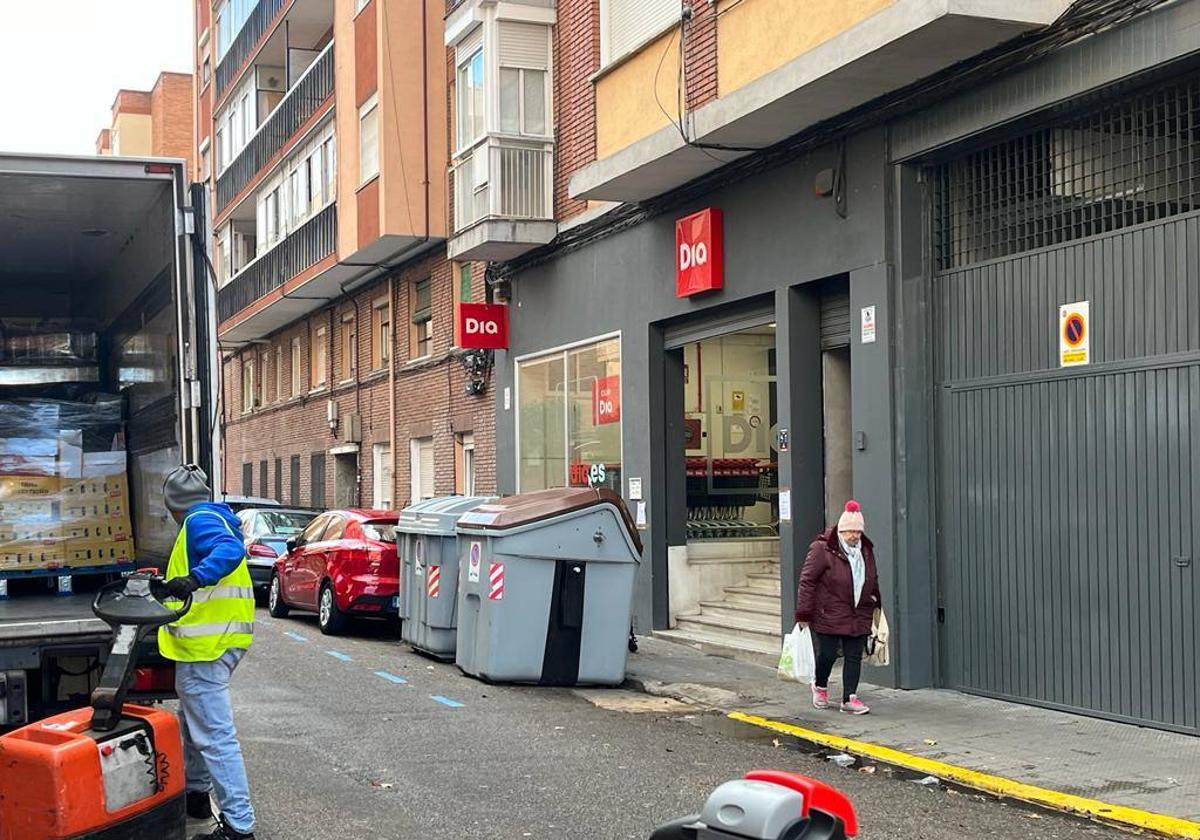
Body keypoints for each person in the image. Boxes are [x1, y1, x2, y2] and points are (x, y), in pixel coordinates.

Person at [159, 464, 258, 840]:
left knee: (215, 736)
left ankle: (238, 825)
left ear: (175, 506)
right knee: (193, 721)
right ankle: (197, 795)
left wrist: (193, 579)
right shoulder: (215, 515)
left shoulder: (199, 521)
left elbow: (228, 550)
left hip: (207, 647)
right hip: (222, 640)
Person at [795, 500, 881, 715]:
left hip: (858, 611)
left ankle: (849, 698)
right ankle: (820, 686)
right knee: (828, 654)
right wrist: (803, 612)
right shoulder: (822, 548)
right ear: (841, 530)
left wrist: (876, 601)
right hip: (828, 612)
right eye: (849, 531)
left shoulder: (866, 550)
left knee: (854, 656)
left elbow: (873, 577)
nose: (854, 536)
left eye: (857, 532)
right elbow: (807, 581)